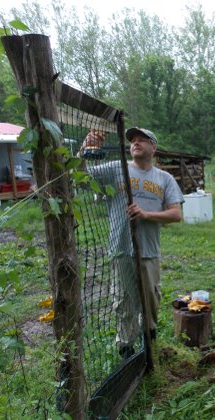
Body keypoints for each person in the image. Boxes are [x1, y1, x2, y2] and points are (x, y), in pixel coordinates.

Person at [79, 127, 184, 359]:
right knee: (124, 302)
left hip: (149, 250)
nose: (135, 143)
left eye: (142, 140)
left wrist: (146, 215)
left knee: (150, 299)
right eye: (133, 141)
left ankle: (149, 343)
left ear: (153, 148)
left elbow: (176, 214)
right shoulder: (117, 169)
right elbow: (82, 177)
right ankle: (126, 349)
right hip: (121, 247)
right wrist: (85, 149)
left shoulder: (164, 178)